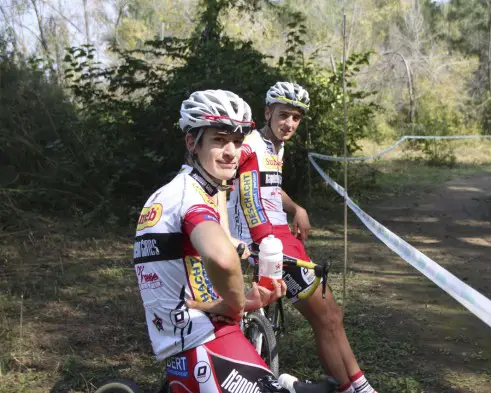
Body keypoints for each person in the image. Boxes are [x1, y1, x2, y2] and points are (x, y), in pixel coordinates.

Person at [133, 89, 292, 393]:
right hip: (201, 339)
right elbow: (222, 258)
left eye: (237, 141)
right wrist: (238, 304)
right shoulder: (188, 199)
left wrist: (238, 301)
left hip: (192, 331)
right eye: (219, 140)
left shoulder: (183, 191)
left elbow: (188, 280)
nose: (232, 151)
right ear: (192, 143)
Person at [227, 82, 378, 393]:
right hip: (267, 242)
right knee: (328, 316)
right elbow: (221, 163)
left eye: (296, 118)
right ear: (267, 112)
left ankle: (356, 386)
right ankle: (352, 389)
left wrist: (296, 207)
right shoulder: (250, 144)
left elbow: (269, 186)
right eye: (284, 116)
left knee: (331, 315)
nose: (290, 124)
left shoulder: (274, 147)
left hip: (281, 234)